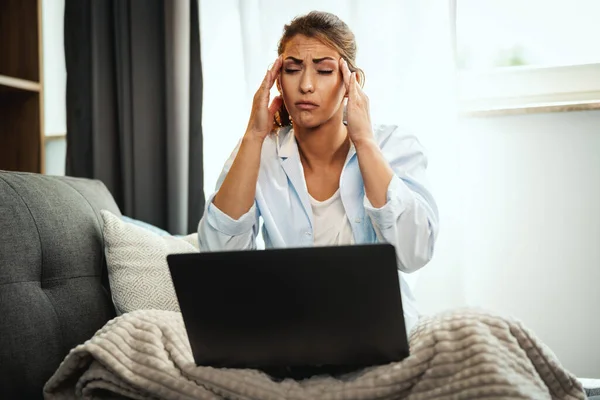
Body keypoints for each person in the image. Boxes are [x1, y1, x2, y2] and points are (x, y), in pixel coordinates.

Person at [198, 11, 439, 337]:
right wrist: (253, 136)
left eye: (324, 70)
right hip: (289, 331)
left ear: (350, 82)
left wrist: (364, 141)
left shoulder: (393, 145)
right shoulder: (258, 152)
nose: (306, 85)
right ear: (277, 80)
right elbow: (218, 261)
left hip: (379, 329)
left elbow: (415, 252)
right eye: (292, 70)